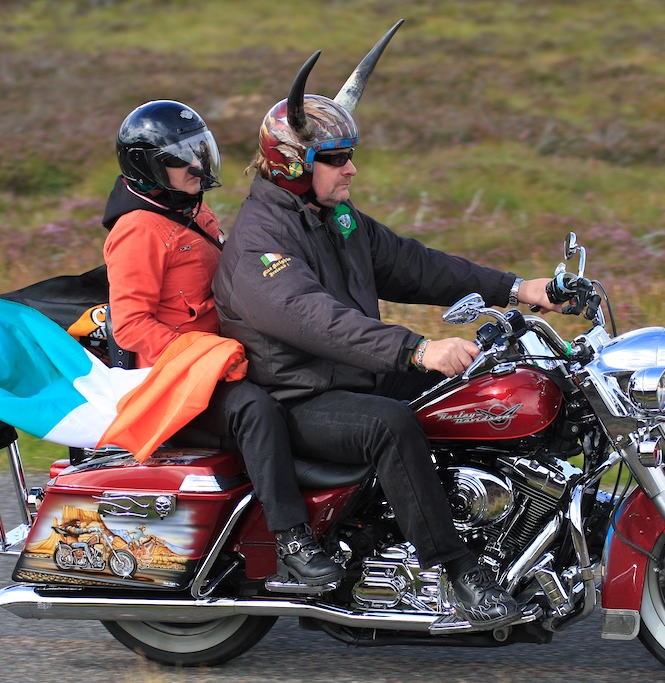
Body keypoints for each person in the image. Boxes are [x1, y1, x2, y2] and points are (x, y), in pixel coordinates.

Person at [212, 40, 560, 631]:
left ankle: (514, 532)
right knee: (390, 425)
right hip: (297, 396)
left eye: (350, 155)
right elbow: (315, 318)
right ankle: (458, 573)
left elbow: (414, 265)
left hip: (352, 375)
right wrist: (417, 349)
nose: (351, 168)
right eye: (336, 158)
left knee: (487, 389)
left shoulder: (335, 217)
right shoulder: (259, 243)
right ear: (294, 165)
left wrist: (518, 287)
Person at [102, 100, 344, 587]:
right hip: (180, 382)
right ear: (147, 167)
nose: (197, 166)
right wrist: (206, 357)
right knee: (256, 410)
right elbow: (130, 326)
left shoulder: (191, 209)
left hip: (226, 362)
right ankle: (292, 540)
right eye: (181, 158)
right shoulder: (138, 230)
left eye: (199, 152)